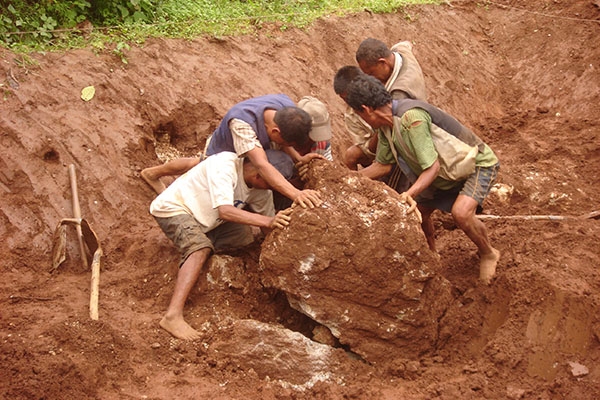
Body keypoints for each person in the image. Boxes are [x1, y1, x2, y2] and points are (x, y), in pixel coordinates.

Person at [345, 74, 501, 284]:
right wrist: (345, 180)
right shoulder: (386, 127)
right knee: (419, 214)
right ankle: (432, 256)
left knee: (461, 213)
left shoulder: (411, 118)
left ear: (365, 109)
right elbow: (382, 165)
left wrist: (408, 194)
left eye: (357, 113)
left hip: (476, 165)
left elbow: (432, 167)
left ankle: (488, 253)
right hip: (446, 173)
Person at [150, 149, 297, 340]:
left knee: (244, 237)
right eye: (270, 183)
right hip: (174, 209)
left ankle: (195, 249)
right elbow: (226, 211)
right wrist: (268, 221)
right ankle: (172, 316)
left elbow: (268, 228)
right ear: (258, 174)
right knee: (199, 247)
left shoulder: (260, 189)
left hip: (206, 221)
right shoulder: (225, 165)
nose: (270, 189)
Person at [141, 94, 328, 207]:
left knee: (197, 163)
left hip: (247, 147)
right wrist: (296, 194)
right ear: (275, 131)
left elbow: (284, 141)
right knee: (200, 165)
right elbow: (261, 165)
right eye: (283, 140)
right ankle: (153, 173)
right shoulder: (242, 124)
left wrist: (299, 159)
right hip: (223, 149)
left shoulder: (286, 109)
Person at [335, 39, 428, 172]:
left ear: (383, 63)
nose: (371, 79)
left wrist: (352, 180)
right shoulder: (401, 53)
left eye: (371, 73)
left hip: (412, 144)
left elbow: (384, 164)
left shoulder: (398, 96)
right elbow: (405, 44)